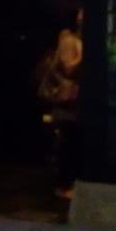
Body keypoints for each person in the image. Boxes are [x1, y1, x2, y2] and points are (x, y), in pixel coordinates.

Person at [37, 10, 83, 196]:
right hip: (67, 102)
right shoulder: (70, 42)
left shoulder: (77, 41)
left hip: (76, 101)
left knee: (74, 139)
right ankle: (64, 183)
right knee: (69, 140)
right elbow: (68, 68)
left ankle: (68, 181)